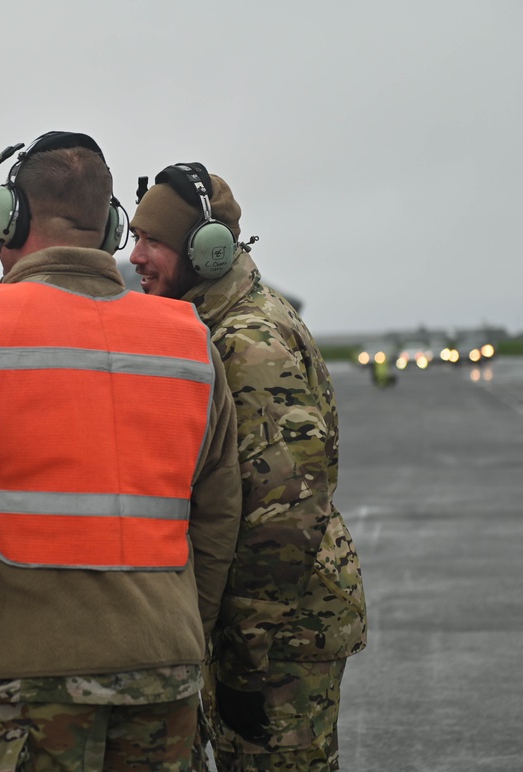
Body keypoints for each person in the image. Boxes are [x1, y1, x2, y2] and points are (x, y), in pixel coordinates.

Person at [0, 133, 244, 771]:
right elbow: (217, 518)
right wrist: (182, 631)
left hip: (19, 687)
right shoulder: (191, 343)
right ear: (108, 227)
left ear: (9, 217)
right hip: (164, 679)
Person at [129, 162, 368, 770]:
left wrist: (243, 659)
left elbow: (284, 511)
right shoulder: (218, 322)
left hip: (280, 633)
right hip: (264, 627)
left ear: (204, 251)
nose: (136, 256)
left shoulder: (248, 342)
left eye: (152, 241)